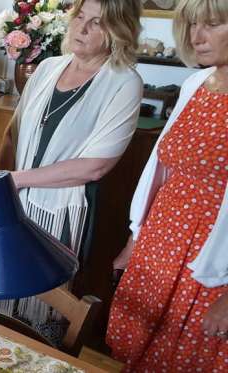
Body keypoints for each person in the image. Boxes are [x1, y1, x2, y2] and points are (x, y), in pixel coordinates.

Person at [0, 0, 142, 343]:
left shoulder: (123, 83)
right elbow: (13, 134)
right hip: (15, 205)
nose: (83, 28)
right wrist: (1, 190)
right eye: (80, 17)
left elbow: (95, 166)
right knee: (1, 303)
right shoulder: (47, 68)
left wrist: (16, 180)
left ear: (118, 32)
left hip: (61, 214)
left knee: (43, 312)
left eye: (98, 23)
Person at [107, 0, 228, 370]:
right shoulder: (195, 83)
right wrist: (136, 236)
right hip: (162, 238)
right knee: (141, 351)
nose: (197, 36)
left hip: (211, 256)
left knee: (185, 358)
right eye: (192, 24)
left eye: (212, 24)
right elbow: (160, 170)